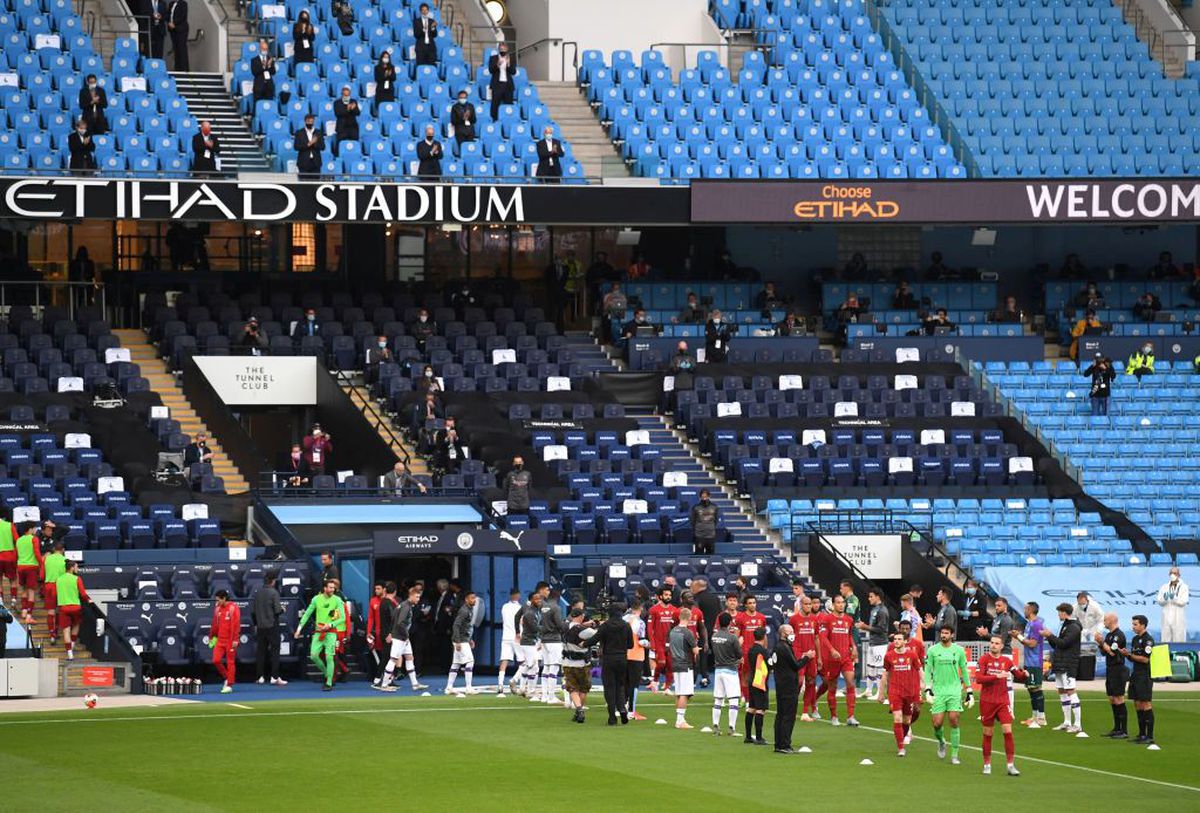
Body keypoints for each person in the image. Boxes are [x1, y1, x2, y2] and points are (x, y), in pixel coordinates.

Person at [976, 634, 1026, 775]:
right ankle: (987, 764)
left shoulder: (1006, 661)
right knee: (988, 733)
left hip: (1003, 701)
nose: (993, 645)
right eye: (992, 643)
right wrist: (996, 676)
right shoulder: (984, 659)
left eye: (997, 643)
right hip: (987, 701)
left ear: (1002, 646)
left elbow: (1018, 675)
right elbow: (979, 679)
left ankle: (1010, 765)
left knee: (1007, 730)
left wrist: (1025, 675)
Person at [925, 625, 972, 764]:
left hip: (954, 690)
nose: (943, 635)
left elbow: (964, 669)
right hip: (938, 691)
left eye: (946, 633)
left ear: (952, 635)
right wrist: (928, 688)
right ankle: (941, 741)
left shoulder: (958, 650)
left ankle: (955, 755)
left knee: (954, 720)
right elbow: (928, 669)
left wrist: (969, 690)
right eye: (942, 633)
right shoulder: (933, 650)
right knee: (937, 723)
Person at [1041, 602, 1083, 734]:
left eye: (1059, 612)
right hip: (1060, 663)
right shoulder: (1065, 625)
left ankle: (1077, 724)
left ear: (1065, 613)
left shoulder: (1074, 627)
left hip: (1068, 665)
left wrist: (1050, 635)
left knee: (1071, 691)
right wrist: (1051, 638)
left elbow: (1064, 643)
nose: (1058, 614)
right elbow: (1058, 645)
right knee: (1062, 691)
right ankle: (1066, 722)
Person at [816, 593, 858, 726]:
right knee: (832, 687)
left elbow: (849, 635)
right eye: (838, 602)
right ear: (833, 605)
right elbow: (823, 637)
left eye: (842, 602)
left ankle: (851, 716)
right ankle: (834, 717)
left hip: (846, 657)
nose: (841, 605)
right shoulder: (827, 619)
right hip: (831, 659)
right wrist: (832, 650)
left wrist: (854, 647)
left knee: (850, 684)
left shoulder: (849, 620)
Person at [376, 586, 428, 692]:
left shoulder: (401, 605)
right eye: (417, 597)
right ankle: (384, 684)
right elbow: (400, 623)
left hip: (401, 636)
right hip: (400, 637)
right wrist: (405, 635)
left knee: (409, 657)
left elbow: (394, 618)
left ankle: (415, 684)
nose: (418, 599)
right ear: (411, 596)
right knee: (393, 659)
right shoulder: (406, 607)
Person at [590, 602, 634, 725]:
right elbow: (631, 645)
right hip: (622, 658)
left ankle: (612, 717)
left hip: (609, 658)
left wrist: (583, 643)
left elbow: (595, 639)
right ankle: (622, 708)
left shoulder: (606, 626)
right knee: (620, 686)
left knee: (609, 687)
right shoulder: (626, 626)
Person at [772, 623, 813, 753]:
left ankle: (778, 744)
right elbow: (795, 665)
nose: (793, 634)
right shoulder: (784, 647)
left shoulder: (778, 647)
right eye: (790, 632)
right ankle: (785, 744)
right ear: (784, 634)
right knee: (788, 716)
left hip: (780, 684)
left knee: (781, 715)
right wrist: (807, 657)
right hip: (788, 686)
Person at [883, 630, 923, 756]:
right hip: (895, 692)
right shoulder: (889, 656)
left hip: (909, 692)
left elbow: (919, 669)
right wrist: (881, 692)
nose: (897, 641)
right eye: (895, 639)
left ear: (905, 641)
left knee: (906, 721)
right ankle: (901, 748)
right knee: (897, 718)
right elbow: (885, 674)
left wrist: (923, 684)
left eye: (900, 639)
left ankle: (903, 737)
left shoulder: (912, 655)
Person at [1121, 614, 1156, 744]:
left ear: (1143, 625)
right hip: (1135, 674)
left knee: (1145, 704)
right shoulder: (1135, 639)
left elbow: (1145, 659)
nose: (1133, 627)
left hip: (1145, 675)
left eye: (1135, 624)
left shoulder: (1148, 640)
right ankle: (1141, 734)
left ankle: (1149, 736)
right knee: (1137, 704)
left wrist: (1129, 655)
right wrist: (1127, 655)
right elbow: (1134, 657)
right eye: (1133, 624)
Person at [1013, 601, 1047, 728]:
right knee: (1031, 689)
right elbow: (1026, 641)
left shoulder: (1037, 625)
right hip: (1028, 661)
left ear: (1031, 610)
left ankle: (1041, 717)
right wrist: (1018, 637)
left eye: (1025, 608)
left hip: (1034, 662)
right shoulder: (1029, 624)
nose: (1024, 610)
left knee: (1036, 688)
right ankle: (1034, 717)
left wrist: (1019, 637)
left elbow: (1032, 644)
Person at [788, 594, 821, 721]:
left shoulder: (814, 619)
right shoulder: (794, 620)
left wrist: (819, 658)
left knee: (811, 682)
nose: (809, 606)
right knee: (799, 682)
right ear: (801, 605)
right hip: (799, 654)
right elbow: (790, 638)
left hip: (812, 655)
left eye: (810, 604)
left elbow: (817, 638)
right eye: (806, 604)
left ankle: (805, 712)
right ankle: (792, 708)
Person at [707, 612, 742, 735]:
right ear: (729, 623)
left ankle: (715, 725)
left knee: (718, 699)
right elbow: (739, 654)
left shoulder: (714, 636)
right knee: (733, 700)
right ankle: (731, 727)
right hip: (730, 670)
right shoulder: (732, 637)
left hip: (718, 671)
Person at [1097, 612, 1129, 739]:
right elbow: (1105, 652)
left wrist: (1102, 641)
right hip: (1110, 669)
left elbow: (1112, 653)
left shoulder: (1118, 635)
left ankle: (1124, 730)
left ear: (1111, 620)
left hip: (1118, 669)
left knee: (1119, 698)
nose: (1104, 622)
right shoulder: (1110, 635)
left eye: (1105, 620)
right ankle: (1117, 728)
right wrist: (1100, 644)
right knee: (1112, 698)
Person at [562, 607, 597, 723]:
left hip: (567, 662)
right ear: (581, 617)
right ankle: (580, 709)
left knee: (572, 688)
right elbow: (597, 635)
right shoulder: (583, 630)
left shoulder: (564, 627)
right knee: (583, 688)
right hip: (582, 664)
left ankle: (578, 710)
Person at [856, 587, 891, 700]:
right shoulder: (874, 609)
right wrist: (866, 627)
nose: (869, 598)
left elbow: (881, 629)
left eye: (871, 596)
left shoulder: (882, 611)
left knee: (879, 668)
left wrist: (865, 627)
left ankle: (879, 692)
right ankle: (869, 690)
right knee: (871, 667)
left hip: (880, 644)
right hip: (873, 642)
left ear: (877, 597)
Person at [252, 572, 286, 686]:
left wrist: (257, 624)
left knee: (261, 652)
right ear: (273, 581)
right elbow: (277, 610)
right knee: (275, 651)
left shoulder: (257, 593)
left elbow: (253, 612)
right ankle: (274, 677)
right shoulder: (274, 593)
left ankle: (260, 677)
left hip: (261, 627)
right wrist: (283, 609)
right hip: (272, 626)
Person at [668, 608, 700, 729]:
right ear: (689, 618)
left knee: (679, 693)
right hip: (685, 664)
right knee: (685, 694)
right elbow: (695, 650)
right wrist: (698, 649)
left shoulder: (673, 631)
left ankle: (679, 719)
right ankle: (680, 721)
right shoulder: (687, 633)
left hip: (675, 663)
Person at [54, 560, 90, 661]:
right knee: (76, 625)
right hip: (75, 607)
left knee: (66, 631)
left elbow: (56, 593)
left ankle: (70, 654)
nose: (77, 569)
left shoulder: (59, 579)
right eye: (76, 567)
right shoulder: (77, 578)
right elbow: (83, 594)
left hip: (63, 607)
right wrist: (89, 600)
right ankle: (73, 644)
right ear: (71, 568)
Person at [647, 585, 680, 693]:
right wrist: (652, 642)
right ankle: (655, 681)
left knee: (670, 665)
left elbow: (677, 626)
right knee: (661, 663)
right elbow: (650, 627)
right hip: (659, 642)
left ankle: (667, 687)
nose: (668, 597)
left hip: (671, 643)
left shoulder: (675, 610)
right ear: (660, 596)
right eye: (666, 595)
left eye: (670, 595)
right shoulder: (653, 610)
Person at [445, 591, 477, 695]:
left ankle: (449, 687)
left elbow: (465, 627)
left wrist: (470, 639)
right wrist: (458, 641)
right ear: (466, 599)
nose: (474, 600)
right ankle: (468, 687)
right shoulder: (464, 611)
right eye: (472, 598)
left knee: (456, 664)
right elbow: (456, 625)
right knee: (470, 661)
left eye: (474, 598)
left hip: (463, 639)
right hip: (460, 641)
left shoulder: (469, 609)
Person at [209, 589, 241, 693]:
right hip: (219, 640)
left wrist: (236, 639)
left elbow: (236, 625)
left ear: (224, 598)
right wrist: (211, 637)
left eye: (218, 600)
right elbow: (214, 624)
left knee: (230, 662)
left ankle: (229, 685)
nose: (217, 602)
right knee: (216, 660)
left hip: (230, 640)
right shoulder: (217, 609)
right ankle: (228, 678)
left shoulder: (233, 608)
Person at [745, 627, 770, 744]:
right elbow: (770, 664)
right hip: (760, 682)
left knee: (752, 708)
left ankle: (748, 736)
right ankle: (759, 738)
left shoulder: (751, 650)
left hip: (752, 680)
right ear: (764, 637)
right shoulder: (763, 651)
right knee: (760, 709)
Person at [496, 588, 524, 694]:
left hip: (506, 637)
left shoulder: (504, 606)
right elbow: (522, 622)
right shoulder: (520, 607)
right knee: (524, 662)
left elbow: (503, 620)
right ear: (518, 595)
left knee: (504, 661)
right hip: (516, 637)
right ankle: (515, 681)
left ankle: (500, 685)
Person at [14, 523, 42, 621]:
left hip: (21, 567)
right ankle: (29, 615)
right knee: (31, 592)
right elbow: (37, 553)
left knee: (24, 590)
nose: (36, 530)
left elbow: (16, 555)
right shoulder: (34, 539)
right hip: (31, 567)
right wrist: (41, 564)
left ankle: (24, 611)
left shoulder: (19, 540)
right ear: (30, 529)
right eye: (34, 528)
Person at [517, 591, 542, 699]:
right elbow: (534, 628)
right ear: (531, 600)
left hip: (531, 641)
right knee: (534, 666)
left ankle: (522, 688)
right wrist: (548, 630)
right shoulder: (530, 613)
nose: (539, 601)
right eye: (536, 599)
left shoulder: (536, 611)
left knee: (529, 665)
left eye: (539, 598)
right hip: (528, 642)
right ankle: (531, 692)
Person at [40, 540, 67, 642]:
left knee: (51, 612)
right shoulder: (65, 560)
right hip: (61, 586)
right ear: (63, 550)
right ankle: (56, 631)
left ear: (53, 549)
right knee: (60, 610)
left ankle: (52, 634)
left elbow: (42, 576)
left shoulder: (46, 559)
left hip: (49, 586)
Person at [1156, 566, 1189, 643]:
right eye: (1171, 573)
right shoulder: (1164, 587)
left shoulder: (1184, 587)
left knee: (1178, 638)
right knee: (1165, 638)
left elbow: (1183, 601)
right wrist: (1165, 598)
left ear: (1179, 575)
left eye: (1174, 573)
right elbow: (1159, 601)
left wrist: (1174, 597)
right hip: (1166, 616)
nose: (1172, 575)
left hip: (1178, 617)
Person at [487, 43, 515, 119]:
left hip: (508, 85)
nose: (503, 50)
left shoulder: (510, 58)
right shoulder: (493, 58)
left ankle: (507, 121)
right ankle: (494, 120)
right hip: (497, 85)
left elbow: (513, 72)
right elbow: (491, 70)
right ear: (498, 49)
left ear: (507, 49)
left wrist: (508, 64)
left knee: (508, 106)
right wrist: (497, 65)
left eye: (504, 49)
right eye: (501, 49)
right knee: (495, 105)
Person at [293, 113, 324, 178]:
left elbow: (322, 147)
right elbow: (296, 146)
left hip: (315, 163)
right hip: (303, 163)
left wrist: (315, 143)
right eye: (308, 121)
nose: (310, 123)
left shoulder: (318, 132)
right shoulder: (299, 133)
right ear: (305, 121)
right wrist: (309, 144)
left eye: (311, 121)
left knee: (315, 184)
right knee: (304, 184)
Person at [689, 489, 718, 555]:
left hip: (711, 535)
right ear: (700, 497)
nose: (704, 498)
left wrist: (710, 527)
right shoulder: (696, 507)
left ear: (709, 496)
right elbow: (692, 521)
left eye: (706, 497)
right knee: (698, 555)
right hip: (699, 535)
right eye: (703, 497)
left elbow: (716, 520)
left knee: (711, 556)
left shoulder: (714, 507)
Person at [333, 87, 360, 151]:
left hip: (352, 127)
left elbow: (358, 113)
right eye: (345, 94)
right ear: (342, 93)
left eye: (348, 94)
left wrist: (354, 108)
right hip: (342, 128)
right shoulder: (337, 103)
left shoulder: (353, 101)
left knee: (354, 144)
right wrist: (347, 109)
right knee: (340, 145)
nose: (347, 96)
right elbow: (338, 114)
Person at [167, 0, 188, 70]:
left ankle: (184, 68)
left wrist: (174, 23)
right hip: (172, 30)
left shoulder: (183, 4)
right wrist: (169, 22)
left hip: (181, 29)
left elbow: (183, 16)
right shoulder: (171, 4)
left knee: (181, 48)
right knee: (176, 49)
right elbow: (168, 15)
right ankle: (178, 68)